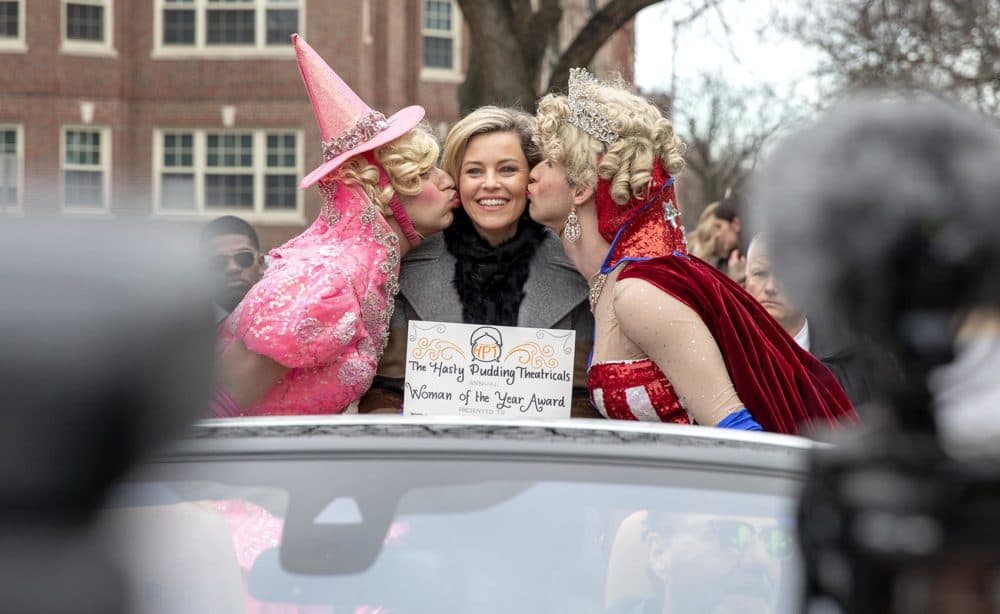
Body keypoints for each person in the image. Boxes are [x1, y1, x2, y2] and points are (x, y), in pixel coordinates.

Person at [526, 68, 857, 434]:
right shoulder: (611, 282)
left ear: (582, 187)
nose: (534, 173)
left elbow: (738, 432)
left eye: (549, 162)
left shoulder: (639, 293)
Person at [211, 34, 457, 417]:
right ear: (386, 191)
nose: (446, 181)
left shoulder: (361, 272)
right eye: (425, 173)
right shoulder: (329, 280)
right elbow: (213, 407)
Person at [360, 106, 597, 417]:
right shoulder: (406, 268)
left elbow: (583, 401)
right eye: (474, 171)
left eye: (507, 170)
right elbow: (382, 395)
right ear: (456, 178)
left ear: (532, 175)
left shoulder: (578, 266)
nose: (490, 184)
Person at [745, 233, 883, 408]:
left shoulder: (856, 360)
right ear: (745, 279)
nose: (770, 287)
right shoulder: (721, 353)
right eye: (760, 273)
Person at [200, 215, 265, 323]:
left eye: (244, 258)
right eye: (219, 262)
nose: (232, 268)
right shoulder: (182, 325)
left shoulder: (287, 318)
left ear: (260, 263)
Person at [712, 192, 747, 284]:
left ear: (736, 224)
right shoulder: (722, 263)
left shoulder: (760, 259)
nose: (716, 235)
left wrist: (736, 281)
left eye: (719, 227)